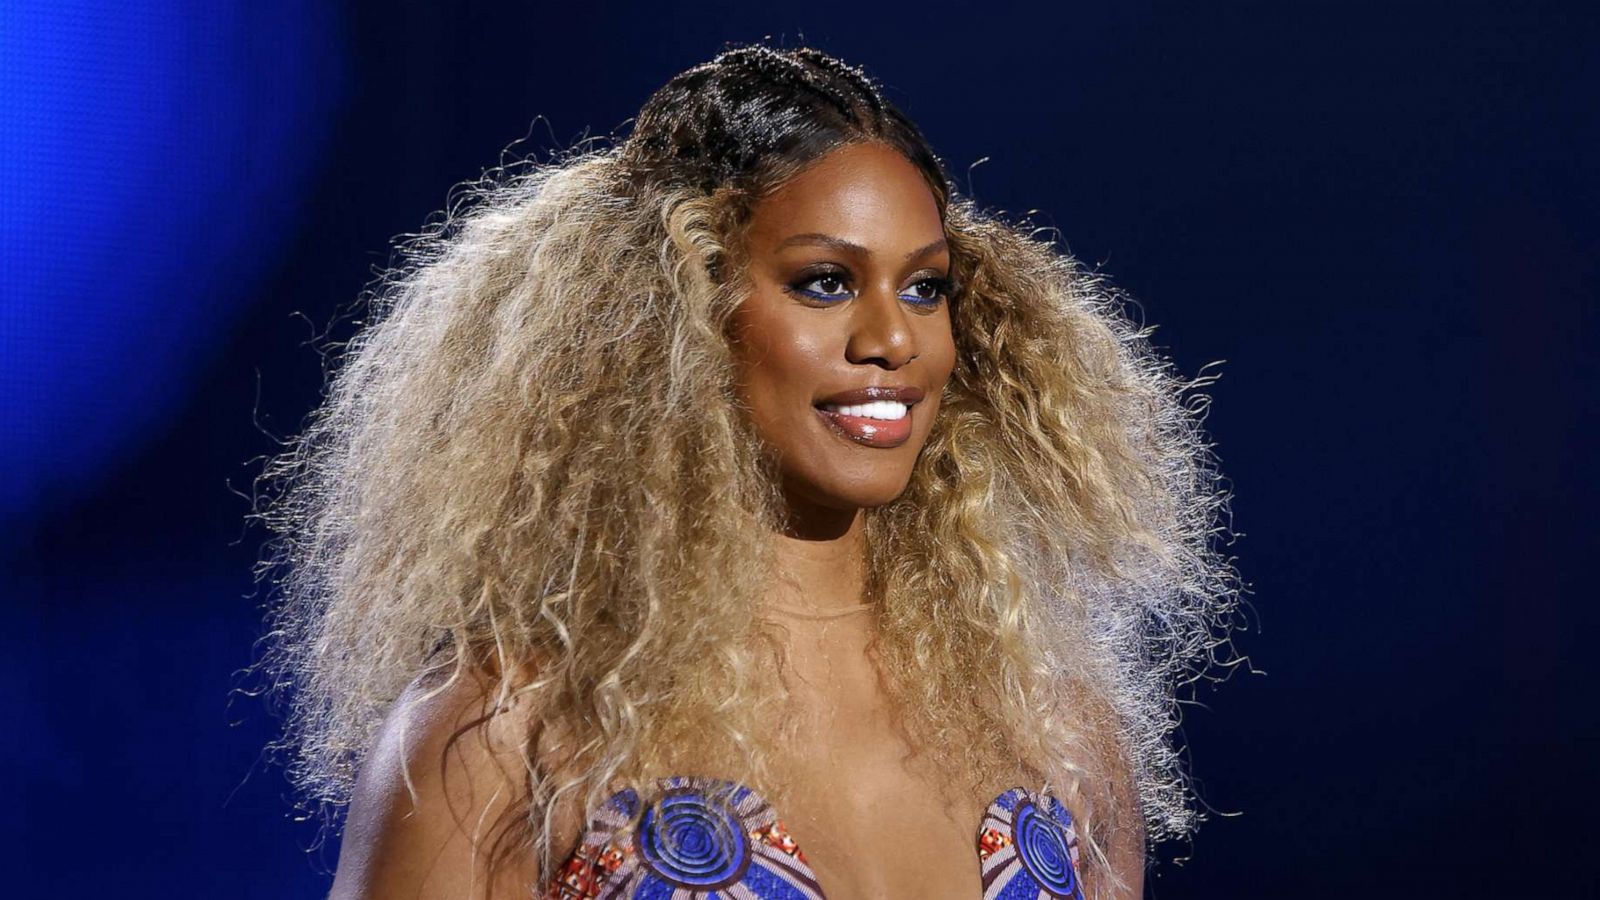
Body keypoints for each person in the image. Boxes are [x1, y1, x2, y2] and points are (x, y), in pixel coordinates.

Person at [250, 43, 1243, 900]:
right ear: (684, 311)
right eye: (825, 282)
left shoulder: (1053, 731)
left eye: (926, 287)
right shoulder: (506, 739)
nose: (893, 338)